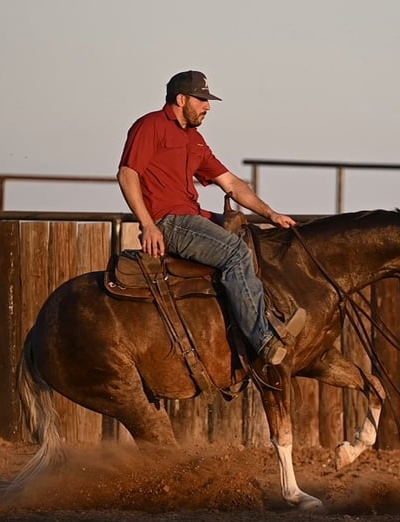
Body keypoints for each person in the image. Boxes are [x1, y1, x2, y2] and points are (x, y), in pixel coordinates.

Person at [116, 70, 306, 366]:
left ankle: (265, 316)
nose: (208, 106)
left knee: (253, 239)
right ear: (181, 99)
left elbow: (231, 183)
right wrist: (148, 225)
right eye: (202, 99)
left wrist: (271, 214)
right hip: (170, 222)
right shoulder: (150, 126)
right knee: (235, 252)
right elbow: (128, 174)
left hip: (194, 217)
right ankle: (262, 341)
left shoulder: (196, 139)